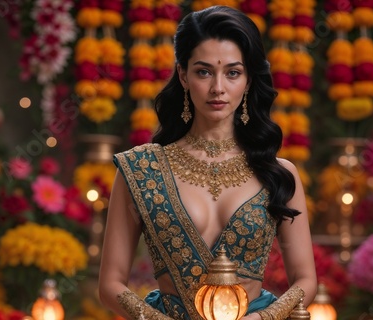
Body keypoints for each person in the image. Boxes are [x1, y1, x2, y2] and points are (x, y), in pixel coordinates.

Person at [99, 5, 317, 320]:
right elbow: (109, 284)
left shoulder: (279, 173)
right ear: (183, 75)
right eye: (203, 71)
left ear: (249, 80)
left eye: (232, 72)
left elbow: (305, 280)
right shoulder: (141, 169)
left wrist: (261, 319)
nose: (218, 88)